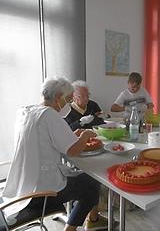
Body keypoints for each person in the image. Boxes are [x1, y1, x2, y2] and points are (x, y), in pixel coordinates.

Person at [2, 77, 108, 231]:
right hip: (41, 194)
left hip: (21, 186)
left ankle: (91, 219)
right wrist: (85, 136)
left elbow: (44, 140)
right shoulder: (50, 115)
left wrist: (74, 135)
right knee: (92, 182)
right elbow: (72, 151)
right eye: (69, 99)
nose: (69, 104)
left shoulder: (25, 112)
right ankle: (76, 226)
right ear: (59, 97)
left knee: (83, 180)